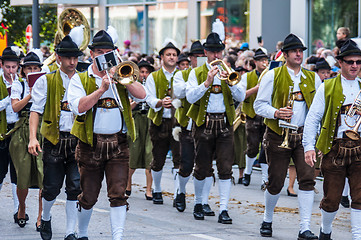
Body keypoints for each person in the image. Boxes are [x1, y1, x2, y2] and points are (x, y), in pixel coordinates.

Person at [68, 30, 146, 240]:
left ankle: (117, 237)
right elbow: (78, 108)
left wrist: (124, 78)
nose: (104, 56)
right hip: (90, 145)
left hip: (118, 144)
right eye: (99, 52)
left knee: (118, 194)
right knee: (89, 196)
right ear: (91, 54)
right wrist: (101, 89)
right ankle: (82, 233)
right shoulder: (80, 79)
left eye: (108, 52)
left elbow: (142, 95)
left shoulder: (121, 75)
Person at [254, 33, 321, 239]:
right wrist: (276, 112)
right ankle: (267, 218)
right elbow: (258, 105)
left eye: (301, 51)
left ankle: (305, 227)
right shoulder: (273, 75)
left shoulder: (313, 77)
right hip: (277, 134)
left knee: (308, 180)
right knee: (275, 182)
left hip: (304, 136)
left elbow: (319, 110)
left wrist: (317, 138)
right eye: (294, 51)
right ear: (285, 54)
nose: (299, 54)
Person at [303, 39, 361, 240]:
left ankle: (357, 236)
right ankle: (325, 232)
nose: (355, 65)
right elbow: (313, 118)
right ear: (341, 63)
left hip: (359, 149)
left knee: (360, 197)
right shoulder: (327, 87)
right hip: (334, 148)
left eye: (358, 62)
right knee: (332, 199)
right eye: (350, 61)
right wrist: (309, 146)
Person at [186, 32, 245, 224]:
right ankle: (198, 203)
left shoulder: (229, 71)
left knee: (226, 168)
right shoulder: (196, 72)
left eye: (219, 51)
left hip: (225, 125)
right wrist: (207, 83)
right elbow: (190, 98)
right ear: (205, 53)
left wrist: (230, 82)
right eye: (212, 52)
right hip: (204, 124)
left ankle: (224, 209)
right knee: (202, 167)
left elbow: (241, 96)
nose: (216, 56)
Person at [28, 35, 83, 240]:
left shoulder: (83, 79)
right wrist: (33, 138)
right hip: (54, 140)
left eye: (75, 58)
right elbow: (35, 111)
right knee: (51, 188)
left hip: (77, 140)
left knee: (75, 187)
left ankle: (70, 231)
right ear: (58, 58)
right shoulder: (46, 80)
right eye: (68, 58)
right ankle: (46, 215)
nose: (72, 62)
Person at [173, 40, 215, 214]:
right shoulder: (181, 75)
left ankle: (203, 201)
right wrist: (202, 81)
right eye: (197, 57)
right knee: (187, 164)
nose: (200, 60)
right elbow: (183, 93)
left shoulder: (214, 73)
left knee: (206, 166)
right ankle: (181, 192)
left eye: (202, 56)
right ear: (190, 58)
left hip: (207, 126)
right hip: (188, 125)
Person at [9, 51, 44, 230]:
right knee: (22, 175)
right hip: (22, 129)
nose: (31, 71)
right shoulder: (19, 84)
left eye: (35, 68)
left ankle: (41, 215)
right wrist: (31, 94)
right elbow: (15, 107)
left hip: (43, 129)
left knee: (44, 175)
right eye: (28, 68)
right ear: (23, 71)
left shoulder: (46, 83)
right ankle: (22, 206)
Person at [145, 40, 181, 205]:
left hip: (177, 122)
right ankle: (157, 189)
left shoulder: (182, 75)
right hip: (159, 122)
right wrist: (160, 102)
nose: (172, 57)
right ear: (162, 57)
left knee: (178, 159)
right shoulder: (154, 76)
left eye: (174, 55)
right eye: (169, 54)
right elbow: (148, 97)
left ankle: (177, 192)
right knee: (158, 159)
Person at [126, 59, 154, 200]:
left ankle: (149, 189)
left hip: (149, 119)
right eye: (142, 72)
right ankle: (128, 185)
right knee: (134, 152)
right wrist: (137, 100)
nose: (144, 74)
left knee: (150, 155)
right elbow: (127, 109)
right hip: (136, 119)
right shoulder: (131, 86)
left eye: (147, 72)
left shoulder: (152, 86)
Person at [240, 48, 268, 188]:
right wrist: (257, 88)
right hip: (252, 116)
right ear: (255, 62)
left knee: (266, 147)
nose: (264, 63)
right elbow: (242, 95)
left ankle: (265, 179)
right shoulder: (247, 77)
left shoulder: (271, 75)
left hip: (266, 116)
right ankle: (247, 172)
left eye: (266, 60)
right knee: (252, 147)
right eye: (262, 60)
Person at [0, 46, 21, 224]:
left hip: (17, 130)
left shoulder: (20, 81)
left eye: (14, 67)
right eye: (8, 67)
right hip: (1, 131)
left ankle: (18, 211)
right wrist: (9, 96)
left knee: (17, 172)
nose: (11, 71)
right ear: (1, 65)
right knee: (0, 172)